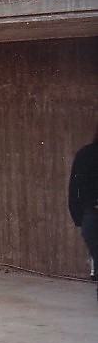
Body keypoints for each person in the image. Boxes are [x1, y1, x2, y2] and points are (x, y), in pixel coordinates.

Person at [68, 125, 98, 293]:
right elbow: (75, 188)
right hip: (92, 215)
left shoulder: (85, 154)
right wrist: (78, 216)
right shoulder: (86, 155)